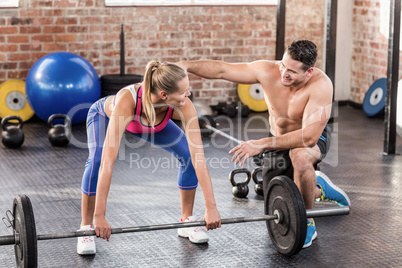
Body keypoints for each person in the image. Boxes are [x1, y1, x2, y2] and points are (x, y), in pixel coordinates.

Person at [177, 40, 350, 249]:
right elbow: (223, 70)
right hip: (277, 140)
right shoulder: (268, 71)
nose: (284, 73)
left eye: (292, 71)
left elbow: (309, 137)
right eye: (283, 65)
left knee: (300, 157)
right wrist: (186, 65)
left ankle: (307, 220)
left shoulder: (321, 85)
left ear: (309, 72)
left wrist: (262, 144)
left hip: (311, 137)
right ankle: (319, 188)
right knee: (280, 200)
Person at [77, 61, 221, 255]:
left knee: (188, 156)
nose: (188, 95)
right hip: (105, 116)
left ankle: (187, 221)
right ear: (164, 95)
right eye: (183, 92)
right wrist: (99, 216)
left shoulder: (184, 106)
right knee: (96, 161)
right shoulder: (127, 102)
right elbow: (107, 164)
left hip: (153, 124)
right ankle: (85, 228)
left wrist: (211, 207)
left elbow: (199, 158)